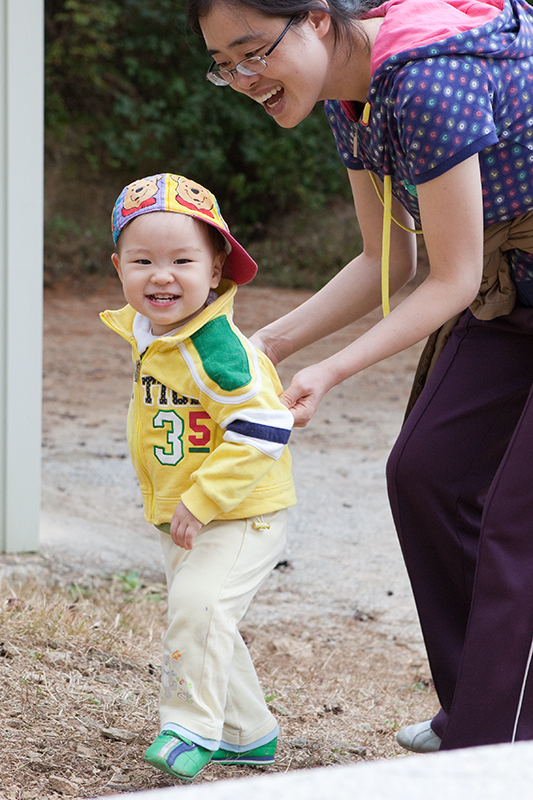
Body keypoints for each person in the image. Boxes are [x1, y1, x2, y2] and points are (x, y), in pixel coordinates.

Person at [186, 0, 533, 751]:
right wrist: (269, 342)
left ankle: (494, 743)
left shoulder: (428, 76)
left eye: (252, 51)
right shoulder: (355, 96)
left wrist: (331, 370)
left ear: (314, 19)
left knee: (517, 520)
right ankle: (482, 712)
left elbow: (450, 277)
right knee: (426, 472)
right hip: (514, 285)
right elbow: (387, 259)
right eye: (225, 66)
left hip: (492, 275)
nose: (245, 79)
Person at [100, 172, 296, 780]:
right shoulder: (150, 334)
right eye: (143, 260)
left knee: (197, 604)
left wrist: (205, 499)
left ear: (215, 272)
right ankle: (248, 731)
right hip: (185, 512)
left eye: (182, 260)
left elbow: (266, 425)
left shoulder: (215, 347)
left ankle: (188, 726)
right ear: (119, 268)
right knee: (208, 618)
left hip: (241, 511)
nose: (162, 275)